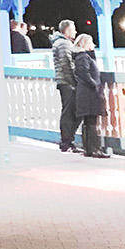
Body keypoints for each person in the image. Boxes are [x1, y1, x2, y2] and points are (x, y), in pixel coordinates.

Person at [71, 34, 110, 158]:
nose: (92, 45)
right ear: (83, 44)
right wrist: (94, 85)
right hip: (89, 92)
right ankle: (94, 148)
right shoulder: (83, 57)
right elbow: (83, 73)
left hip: (85, 92)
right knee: (91, 121)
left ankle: (88, 148)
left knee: (88, 121)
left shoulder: (81, 56)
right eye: (90, 42)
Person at [51, 20, 79, 152]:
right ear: (67, 31)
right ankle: (66, 141)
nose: (75, 31)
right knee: (69, 112)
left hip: (64, 82)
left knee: (70, 111)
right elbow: (66, 64)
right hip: (67, 82)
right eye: (73, 29)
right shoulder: (63, 43)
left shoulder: (61, 42)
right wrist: (74, 82)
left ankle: (67, 140)